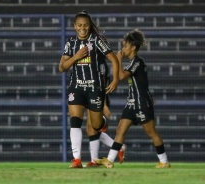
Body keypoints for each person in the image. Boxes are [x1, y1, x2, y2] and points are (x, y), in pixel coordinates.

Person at [94, 29, 170, 169]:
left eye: (125, 46)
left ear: (133, 47)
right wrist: (117, 62)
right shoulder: (132, 62)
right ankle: (110, 160)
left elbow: (121, 76)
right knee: (120, 131)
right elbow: (119, 75)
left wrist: (118, 60)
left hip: (141, 102)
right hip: (131, 103)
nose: (123, 49)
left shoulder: (138, 62)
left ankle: (164, 161)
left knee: (151, 132)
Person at [58, 10, 119, 168]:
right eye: (79, 25)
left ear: (89, 26)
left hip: (94, 88)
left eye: (85, 25)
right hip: (76, 87)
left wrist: (116, 80)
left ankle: (102, 123)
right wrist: (75, 57)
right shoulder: (71, 43)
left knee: (96, 125)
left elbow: (114, 59)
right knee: (75, 121)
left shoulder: (97, 41)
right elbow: (62, 67)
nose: (82, 28)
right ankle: (77, 160)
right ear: (74, 26)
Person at [85, 60, 126, 167]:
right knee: (91, 130)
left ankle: (94, 160)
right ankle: (118, 147)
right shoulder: (96, 60)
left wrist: (104, 105)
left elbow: (101, 86)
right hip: (93, 97)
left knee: (92, 129)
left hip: (99, 99)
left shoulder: (100, 63)